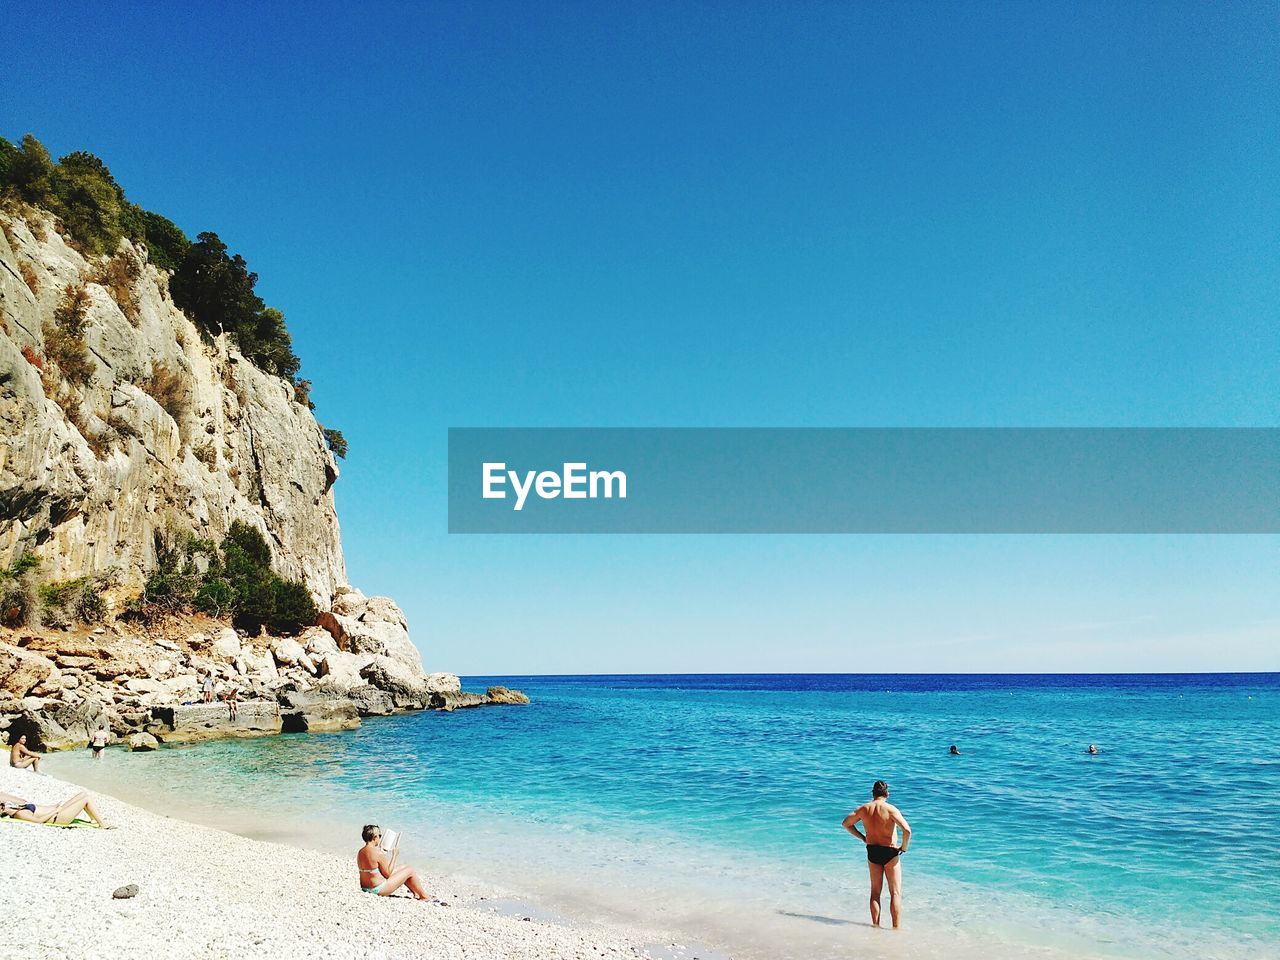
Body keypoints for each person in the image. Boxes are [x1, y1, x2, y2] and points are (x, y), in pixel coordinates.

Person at [842, 780, 912, 929]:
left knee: (875, 892)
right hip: (890, 852)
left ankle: (875, 926)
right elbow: (907, 830)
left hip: (872, 851)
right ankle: (895, 928)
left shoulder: (864, 809)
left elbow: (846, 823)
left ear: (873, 793)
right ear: (887, 793)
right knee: (895, 893)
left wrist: (862, 837)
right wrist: (903, 847)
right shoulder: (891, 809)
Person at [356, 824, 431, 899]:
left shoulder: (360, 852)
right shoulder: (377, 853)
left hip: (365, 887)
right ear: (374, 837)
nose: (380, 838)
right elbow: (387, 875)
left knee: (404, 867)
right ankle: (424, 896)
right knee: (410, 870)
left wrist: (382, 854)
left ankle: (416, 893)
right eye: (379, 835)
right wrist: (394, 855)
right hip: (377, 889)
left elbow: (372, 870)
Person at [0, 790, 115, 828]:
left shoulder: (18, 808)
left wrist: (55, 807)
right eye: (2, 806)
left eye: (2, 804)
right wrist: (55, 810)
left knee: (83, 794)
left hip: (57, 811)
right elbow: (39, 822)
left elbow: (20, 800)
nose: (4, 804)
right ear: (2, 811)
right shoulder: (19, 814)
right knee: (86, 800)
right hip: (57, 817)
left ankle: (93, 819)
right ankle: (102, 824)